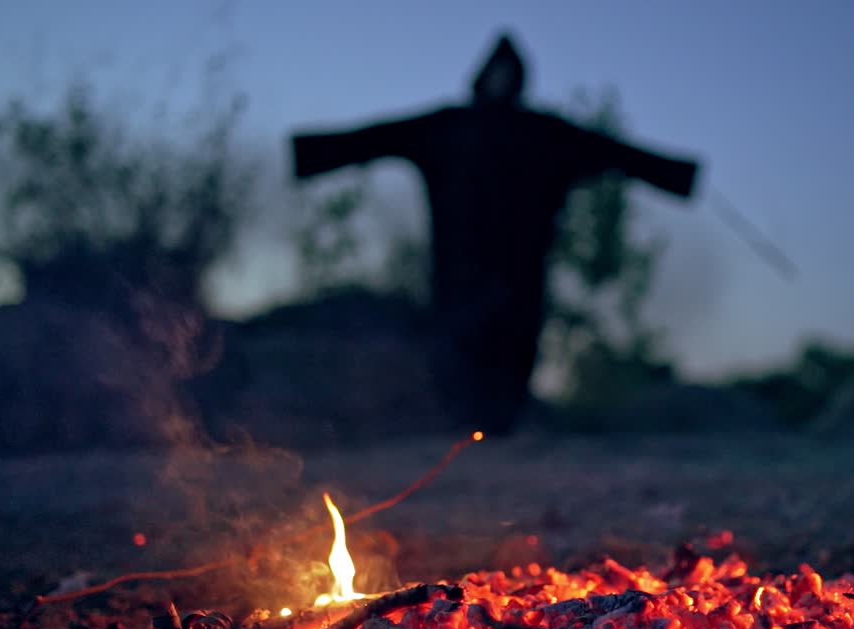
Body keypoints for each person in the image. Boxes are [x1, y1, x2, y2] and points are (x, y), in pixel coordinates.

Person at [292, 33, 701, 434]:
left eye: (510, 73)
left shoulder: (545, 135)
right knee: (458, 350)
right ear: (482, 75)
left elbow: (613, 152)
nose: (501, 81)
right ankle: (461, 431)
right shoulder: (449, 128)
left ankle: (502, 431)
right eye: (496, 72)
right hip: (458, 269)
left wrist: (673, 175)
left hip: (521, 273)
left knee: (512, 349)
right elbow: (379, 136)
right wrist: (310, 153)